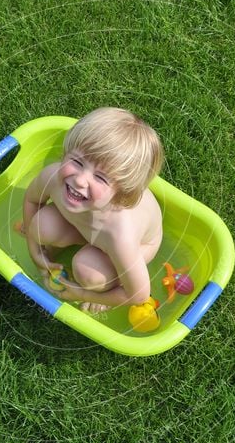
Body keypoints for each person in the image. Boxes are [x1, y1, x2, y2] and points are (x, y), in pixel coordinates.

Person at [20, 107, 164, 313]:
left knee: (88, 273)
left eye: (100, 177)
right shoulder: (53, 178)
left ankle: (107, 284)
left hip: (139, 244)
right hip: (87, 227)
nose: (79, 180)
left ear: (120, 195)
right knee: (40, 225)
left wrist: (86, 294)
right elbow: (32, 200)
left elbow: (138, 294)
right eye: (77, 161)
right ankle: (65, 245)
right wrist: (35, 252)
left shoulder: (120, 235)